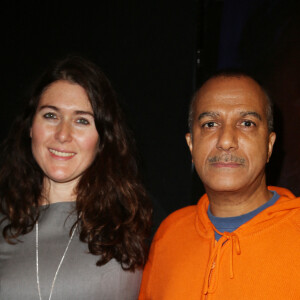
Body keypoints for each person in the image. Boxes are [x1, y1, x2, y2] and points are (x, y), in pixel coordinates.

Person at [0, 56, 152, 300]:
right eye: (51, 116)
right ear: (30, 127)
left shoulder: (134, 229)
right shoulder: (5, 224)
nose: (63, 134)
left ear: (103, 138)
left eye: (81, 120)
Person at [139, 71, 300, 299]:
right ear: (191, 144)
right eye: (210, 124)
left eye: (246, 123)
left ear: (269, 145)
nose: (226, 141)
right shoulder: (169, 233)